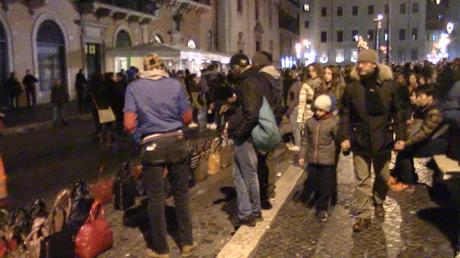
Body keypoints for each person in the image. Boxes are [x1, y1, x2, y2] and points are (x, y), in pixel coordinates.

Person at [124, 54, 195, 257]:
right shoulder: (175, 84)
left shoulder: (133, 88)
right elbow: (187, 117)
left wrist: (140, 138)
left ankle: (161, 249)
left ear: (144, 68)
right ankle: (187, 243)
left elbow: (129, 123)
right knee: (181, 194)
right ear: (162, 67)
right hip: (176, 142)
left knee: (155, 198)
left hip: (151, 144)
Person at [339, 49, 406, 232]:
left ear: (374, 65)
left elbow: (398, 112)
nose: (360, 66)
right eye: (358, 62)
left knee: (383, 176)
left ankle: (378, 201)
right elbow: (345, 113)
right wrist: (344, 137)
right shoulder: (352, 87)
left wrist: (400, 137)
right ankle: (364, 215)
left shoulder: (389, 86)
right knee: (362, 179)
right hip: (360, 139)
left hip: (382, 138)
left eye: (364, 62)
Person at [220, 53, 263, 227]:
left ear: (238, 66)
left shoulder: (248, 82)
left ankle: (253, 211)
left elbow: (251, 114)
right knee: (239, 175)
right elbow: (245, 107)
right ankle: (246, 212)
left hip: (246, 136)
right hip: (244, 134)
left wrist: (239, 133)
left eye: (233, 68)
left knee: (248, 174)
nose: (232, 72)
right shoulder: (250, 80)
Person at [391, 84, 446, 191]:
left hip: (439, 144)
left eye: (420, 96)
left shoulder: (435, 111)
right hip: (437, 141)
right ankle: (405, 177)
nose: (418, 99)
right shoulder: (430, 108)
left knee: (405, 151)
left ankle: (409, 182)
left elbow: (424, 132)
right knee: (405, 150)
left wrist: (406, 143)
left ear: (430, 97)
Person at [252, 51, 286, 208]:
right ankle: (271, 190)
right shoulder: (277, 76)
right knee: (270, 158)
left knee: (261, 158)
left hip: (264, 120)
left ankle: (263, 192)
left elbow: (260, 101)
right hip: (275, 119)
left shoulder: (261, 78)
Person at [299, 95, 339, 222]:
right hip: (313, 159)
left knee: (325, 184)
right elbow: (305, 140)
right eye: (316, 109)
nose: (317, 112)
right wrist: (302, 156)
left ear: (327, 111)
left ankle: (322, 208)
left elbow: (337, 139)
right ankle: (321, 195)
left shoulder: (333, 123)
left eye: (320, 110)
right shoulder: (310, 122)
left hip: (327, 160)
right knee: (314, 181)